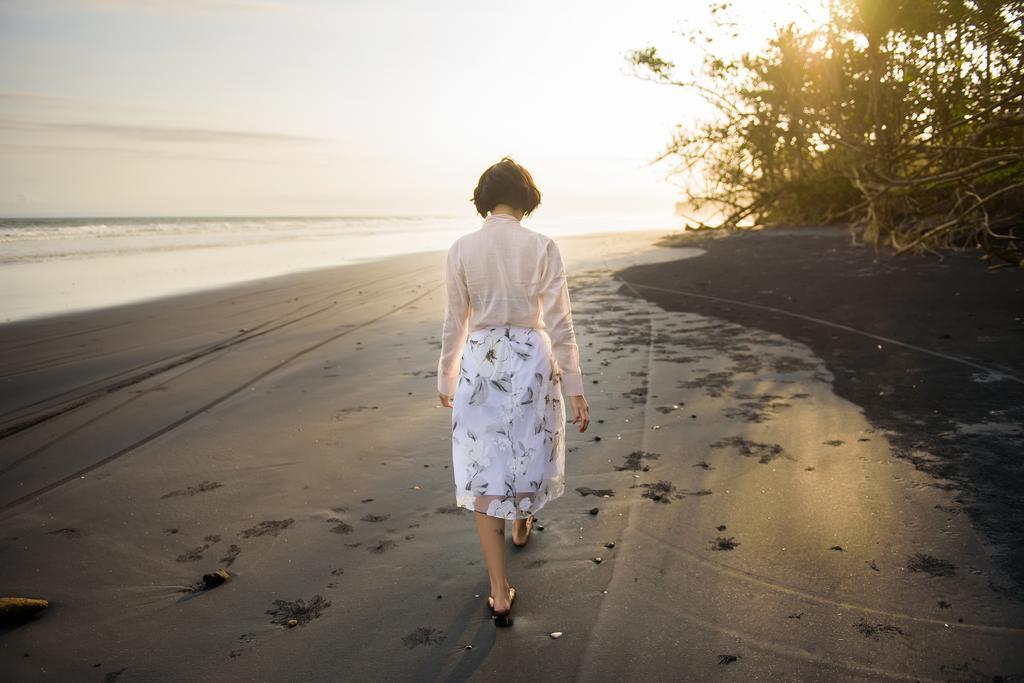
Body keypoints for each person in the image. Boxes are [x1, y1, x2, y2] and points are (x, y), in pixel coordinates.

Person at [437, 156, 590, 627]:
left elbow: (454, 322)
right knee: (528, 449)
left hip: (481, 362)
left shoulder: (462, 248)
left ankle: (498, 591)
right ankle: (524, 519)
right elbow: (560, 321)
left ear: (485, 199)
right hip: (530, 360)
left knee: (486, 468)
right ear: (527, 198)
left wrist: (446, 376)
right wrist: (577, 386)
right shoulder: (542, 246)